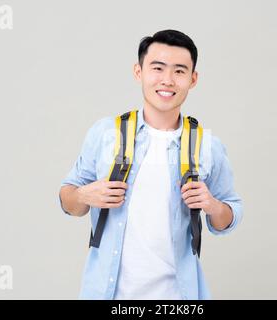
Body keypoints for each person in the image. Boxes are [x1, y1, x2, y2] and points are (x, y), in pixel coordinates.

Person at [59, 29, 243, 300]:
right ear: (139, 72)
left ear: (193, 79)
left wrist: (213, 205)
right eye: (157, 68)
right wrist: (84, 195)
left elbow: (229, 216)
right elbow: (68, 201)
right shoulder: (105, 135)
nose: (167, 80)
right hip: (107, 294)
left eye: (179, 71)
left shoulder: (207, 146)